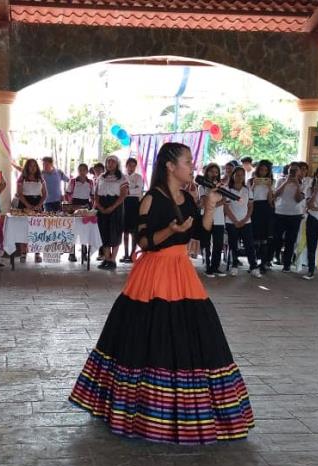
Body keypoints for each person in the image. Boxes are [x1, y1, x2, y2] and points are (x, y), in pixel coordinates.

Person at [69, 142, 254, 445]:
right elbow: (144, 242)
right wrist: (169, 230)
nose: (192, 166)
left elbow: (201, 235)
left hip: (181, 270)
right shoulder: (151, 199)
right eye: (187, 161)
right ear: (170, 166)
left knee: (194, 331)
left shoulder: (188, 197)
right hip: (153, 274)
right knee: (146, 333)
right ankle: (139, 412)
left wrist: (208, 206)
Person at [225, 166, 261, 278]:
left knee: (249, 245)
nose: (240, 177)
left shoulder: (247, 189)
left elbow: (250, 206)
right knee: (233, 245)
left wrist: (245, 219)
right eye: (238, 175)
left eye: (242, 175)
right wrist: (235, 221)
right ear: (233, 176)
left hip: (246, 222)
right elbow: (226, 208)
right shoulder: (227, 189)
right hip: (232, 222)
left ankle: (254, 267)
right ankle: (234, 266)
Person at [95, 155, 128, 270]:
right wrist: (99, 206)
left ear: (117, 164)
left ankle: (113, 260)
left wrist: (112, 207)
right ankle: (106, 258)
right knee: (103, 232)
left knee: (115, 232)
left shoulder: (122, 178)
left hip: (116, 207)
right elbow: (96, 194)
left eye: (113, 162)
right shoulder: (101, 177)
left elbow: (123, 195)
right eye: (108, 162)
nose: (110, 164)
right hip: (102, 206)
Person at [273, 162, 305, 272]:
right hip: (280, 213)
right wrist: (286, 182)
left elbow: (298, 199)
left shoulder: (303, 183)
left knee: (290, 240)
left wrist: (297, 185)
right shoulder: (281, 180)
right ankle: (272, 258)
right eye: (291, 170)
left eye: (295, 170)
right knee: (276, 238)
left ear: (299, 172)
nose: (292, 172)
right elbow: (275, 195)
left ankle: (286, 264)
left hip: (295, 215)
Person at [199, 163, 226, 277]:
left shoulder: (221, 186)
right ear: (207, 172)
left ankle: (215, 267)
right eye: (211, 171)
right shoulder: (202, 186)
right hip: (206, 218)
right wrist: (212, 202)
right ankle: (207, 266)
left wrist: (212, 203)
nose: (214, 174)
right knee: (206, 243)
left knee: (218, 244)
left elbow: (224, 200)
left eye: (216, 172)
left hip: (219, 218)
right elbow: (204, 202)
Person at [16, 158, 46, 263]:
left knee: (37, 229)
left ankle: (37, 253)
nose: (32, 168)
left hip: (38, 204)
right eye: (30, 166)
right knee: (23, 229)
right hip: (24, 204)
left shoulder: (41, 178)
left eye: (34, 166)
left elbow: (45, 194)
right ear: (27, 167)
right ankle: (23, 253)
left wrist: (39, 205)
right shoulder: (21, 178)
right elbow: (19, 194)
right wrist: (27, 205)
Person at [65, 163, 93, 263]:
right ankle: (71, 253)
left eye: (84, 170)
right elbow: (67, 194)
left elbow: (92, 195)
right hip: (74, 206)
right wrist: (70, 206)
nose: (82, 172)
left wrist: (92, 208)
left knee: (84, 230)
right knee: (73, 230)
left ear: (87, 171)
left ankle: (84, 253)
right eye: (80, 170)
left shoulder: (90, 182)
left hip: (86, 206)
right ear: (78, 170)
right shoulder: (73, 181)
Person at [249, 159, 274, 272]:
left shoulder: (271, 181)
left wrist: (269, 187)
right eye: (261, 169)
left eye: (265, 170)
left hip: (265, 208)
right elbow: (249, 197)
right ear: (258, 169)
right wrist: (254, 184)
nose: (263, 172)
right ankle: (253, 264)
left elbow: (270, 201)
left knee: (264, 238)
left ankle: (263, 263)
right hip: (254, 207)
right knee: (253, 237)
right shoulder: (251, 180)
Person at [120, 158, 143, 263]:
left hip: (134, 204)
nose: (131, 167)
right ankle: (125, 254)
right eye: (129, 165)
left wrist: (128, 191)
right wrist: (129, 191)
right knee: (125, 231)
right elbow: (120, 190)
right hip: (124, 204)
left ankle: (132, 254)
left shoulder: (138, 177)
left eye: (133, 165)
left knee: (134, 231)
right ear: (126, 165)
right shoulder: (122, 177)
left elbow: (139, 191)